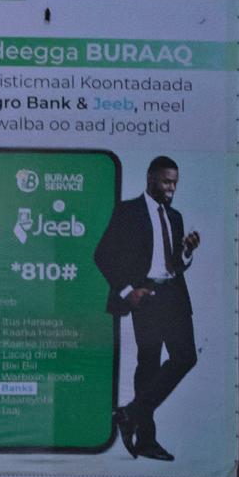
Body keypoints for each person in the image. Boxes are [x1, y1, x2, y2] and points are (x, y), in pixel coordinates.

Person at [93, 155, 201, 461]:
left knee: (185, 357)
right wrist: (128, 291)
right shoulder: (128, 211)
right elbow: (103, 254)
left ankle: (130, 413)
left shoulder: (175, 217)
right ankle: (146, 440)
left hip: (174, 296)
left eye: (175, 183)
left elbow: (176, 264)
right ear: (150, 178)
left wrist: (187, 252)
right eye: (166, 182)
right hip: (147, 296)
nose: (171, 188)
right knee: (149, 364)